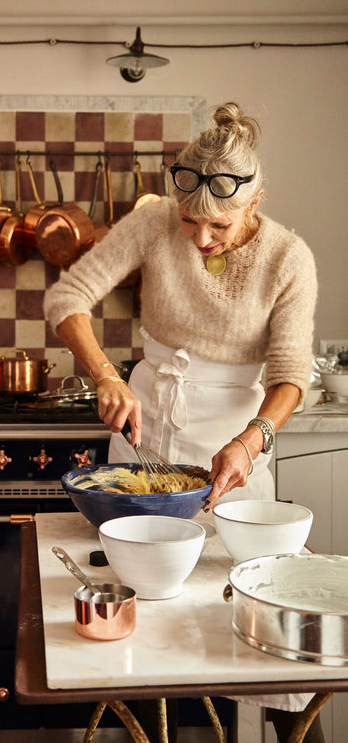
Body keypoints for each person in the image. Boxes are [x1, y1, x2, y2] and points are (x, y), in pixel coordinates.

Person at [44, 102, 322, 742]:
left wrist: (252, 441)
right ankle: (144, 724)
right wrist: (106, 375)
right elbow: (68, 297)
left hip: (238, 441)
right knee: (143, 589)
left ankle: (264, 727)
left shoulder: (289, 258)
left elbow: (291, 374)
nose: (200, 238)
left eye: (218, 225)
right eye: (191, 220)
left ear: (255, 202)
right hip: (148, 421)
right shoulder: (153, 224)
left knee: (245, 596)